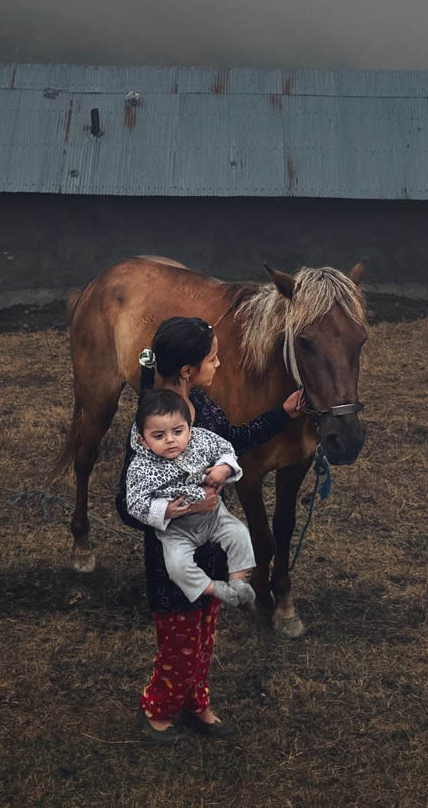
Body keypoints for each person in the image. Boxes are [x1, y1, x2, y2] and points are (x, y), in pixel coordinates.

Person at [115, 316, 303, 744]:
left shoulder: (202, 404)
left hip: (213, 547)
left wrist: (283, 414)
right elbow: (126, 506)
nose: (218, 364)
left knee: (202, 638)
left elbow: (233, 439)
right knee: (177, 645)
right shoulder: (155, 422)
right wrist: (181, 510)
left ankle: (197, 703)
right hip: (173, 560)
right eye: (212, 358)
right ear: (187, 370)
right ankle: (157, 712)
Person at [125, 388, 256, 608]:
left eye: (178, 431)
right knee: (177, 565)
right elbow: (134, 502)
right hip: (175, 530)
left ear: (190, 430)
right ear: (143, 440)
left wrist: (224, 468)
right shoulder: (141, 468)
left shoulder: (201, 441)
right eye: (159, 436)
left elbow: (226, 449)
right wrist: (163, 510)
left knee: (240, 534)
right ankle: (213, 588)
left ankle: (237, 579)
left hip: (214, 516)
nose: (170, 441)